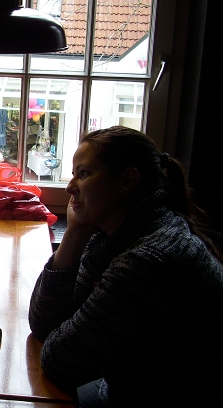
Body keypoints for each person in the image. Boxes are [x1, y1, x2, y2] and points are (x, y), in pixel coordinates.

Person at [28, 126, 223, 407]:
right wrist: (74, 232)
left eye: (84, 174)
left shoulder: (147, 260)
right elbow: (43, 323)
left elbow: (60, 359)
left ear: (127, 181)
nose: (70, 187)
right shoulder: (128, 232)